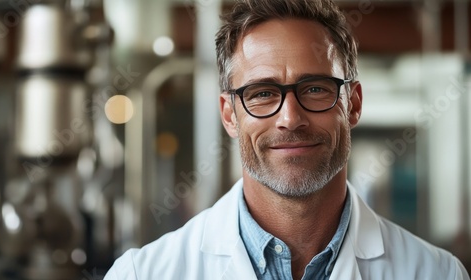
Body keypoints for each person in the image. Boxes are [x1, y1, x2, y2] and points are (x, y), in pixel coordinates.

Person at [104, 0, 470, 279]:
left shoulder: (436, 273)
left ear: (353, 104)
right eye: (262, 93)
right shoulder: (143, 273)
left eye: (314, 88)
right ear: (230, 114)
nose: (290, 119)